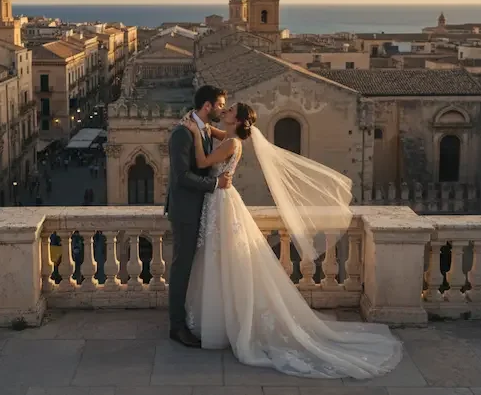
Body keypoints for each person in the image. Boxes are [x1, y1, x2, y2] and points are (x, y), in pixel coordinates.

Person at [178, 101, 403, 379]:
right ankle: (223, 320)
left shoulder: (230, 144)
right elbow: (216, 132)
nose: (224, 112)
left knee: (222, 256)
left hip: (221, 201)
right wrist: (203, 125)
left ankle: (224, 323)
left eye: (229, 111)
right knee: (220, 257)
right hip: (221, 201)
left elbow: (201, 162)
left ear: (237, 121)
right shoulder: (232, 138)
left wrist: (191, 131)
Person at [164, 85, 232, 348]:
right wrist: (215, 184)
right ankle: (176, 327)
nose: (223, 109)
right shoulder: (182, 133)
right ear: (207, 106)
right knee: (181, 268)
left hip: (197, 209)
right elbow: (181, 177)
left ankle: (186, 319)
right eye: (220, 105)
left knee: (190, 266)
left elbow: (232, 134)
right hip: (184, 210)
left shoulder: (201, 128)